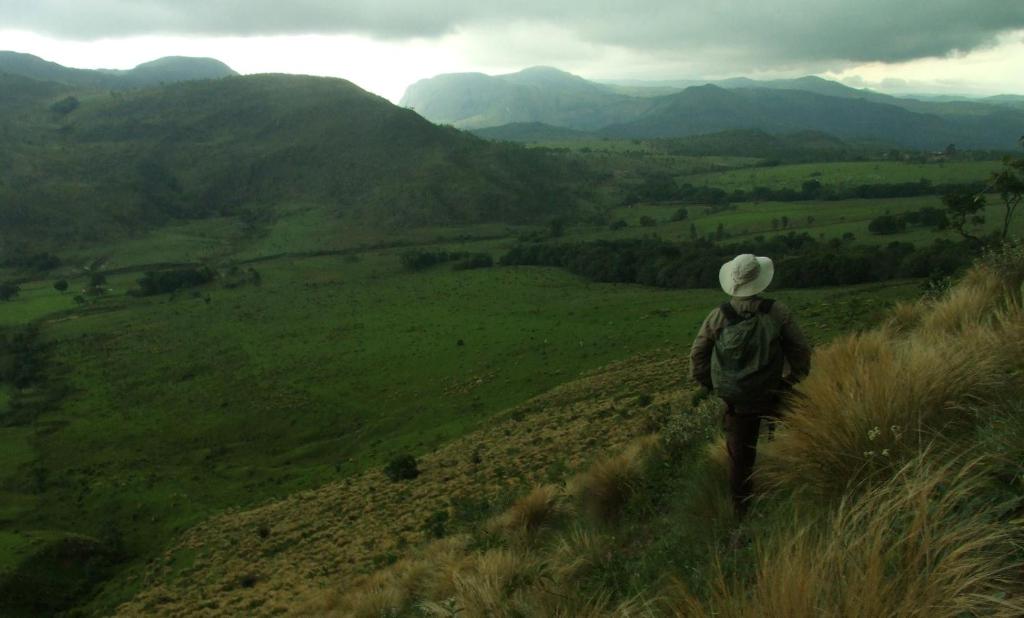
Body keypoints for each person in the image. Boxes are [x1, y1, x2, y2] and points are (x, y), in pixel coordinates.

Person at [689, 254, 811, 518]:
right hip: (772, 392)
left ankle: (740, 512)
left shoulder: (718, 316)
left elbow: (697, 355)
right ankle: (807, 488)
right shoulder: (777, 311)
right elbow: (800, 349)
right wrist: (792, 380)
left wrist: (712, 385)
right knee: (811, 425)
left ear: (734, 282)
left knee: (739, 460)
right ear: (760, 280)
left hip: (736, 401)